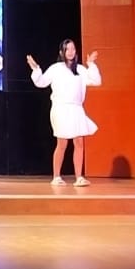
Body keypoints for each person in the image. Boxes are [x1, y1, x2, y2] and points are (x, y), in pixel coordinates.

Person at [26, 38, 102, 187]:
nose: (71, 52)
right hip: (60, 108)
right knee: (62, 143)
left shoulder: (80, 69)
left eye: (73, 49)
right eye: (67, 49)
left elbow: (96, 81)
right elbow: (41, 82)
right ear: (62, 52)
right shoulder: (56, 68)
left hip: (76, 109)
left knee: (79, 142)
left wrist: (91, 64)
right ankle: (56, 176)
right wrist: (36, 69)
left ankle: (79, 177)